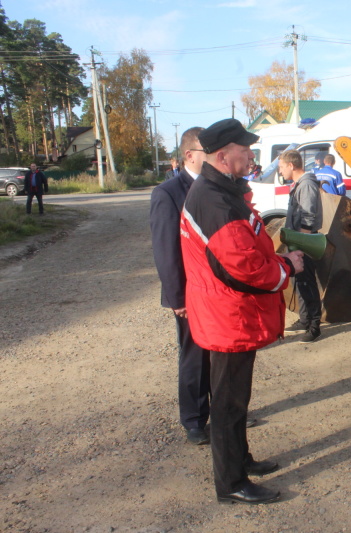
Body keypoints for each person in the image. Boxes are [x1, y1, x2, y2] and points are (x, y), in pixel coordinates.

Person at [180, 118, 305, 505]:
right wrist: (287, 267)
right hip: (228, 318)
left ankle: (241, 460)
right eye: (245, 149)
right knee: (230, 403)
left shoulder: (220, 191)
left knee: (234, 399)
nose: (251, 155)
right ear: (223, 155)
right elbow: (245, 268)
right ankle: (231, 482)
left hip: (227, 314)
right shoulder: (216, 201)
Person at [150, 127, 214, 446]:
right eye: (209, 152)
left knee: (221, 354)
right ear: (190, 155)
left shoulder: (217, 188)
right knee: (195, 356)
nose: (215, 158)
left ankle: (225, 411)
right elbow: (166, 250)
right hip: (189, 292)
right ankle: (194, 419)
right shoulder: (168, 193)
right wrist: (177, 297)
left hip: (217, 291)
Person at [280, 149, 323, 343]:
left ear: (291, 165)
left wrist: (302, 244)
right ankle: (305, 319)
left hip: (304, 242)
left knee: (308, 283)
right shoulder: (299, 184)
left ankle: (314, 326)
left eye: (281, 167)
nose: (280, 171)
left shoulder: (306, 185)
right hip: (298, 241)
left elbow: (308, 215)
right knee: (300, 282)